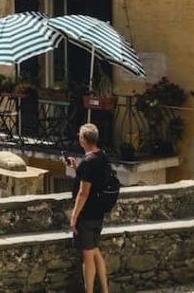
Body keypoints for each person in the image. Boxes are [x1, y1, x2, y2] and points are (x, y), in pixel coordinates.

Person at [66, 123, 109, 293]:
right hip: (99, 213)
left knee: (88, 255)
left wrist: (74, 216)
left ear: (83, 139)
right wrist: (78, 168)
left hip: (87, 215)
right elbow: (93, 179)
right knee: (95, 250)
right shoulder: (102, 157)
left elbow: (83, 193)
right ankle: (105, 290)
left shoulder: (88, 163)